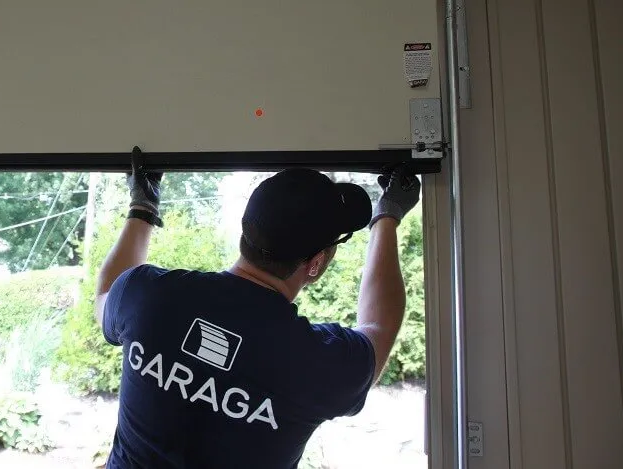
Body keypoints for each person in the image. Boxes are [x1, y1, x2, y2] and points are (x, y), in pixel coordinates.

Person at [94, 161, 422, 469]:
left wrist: (143, 205)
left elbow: (106, 294)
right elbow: (379, 326)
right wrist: (388, 216)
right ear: (317, 263)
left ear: (244, 233)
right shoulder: (315, 362)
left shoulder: (147, 296)